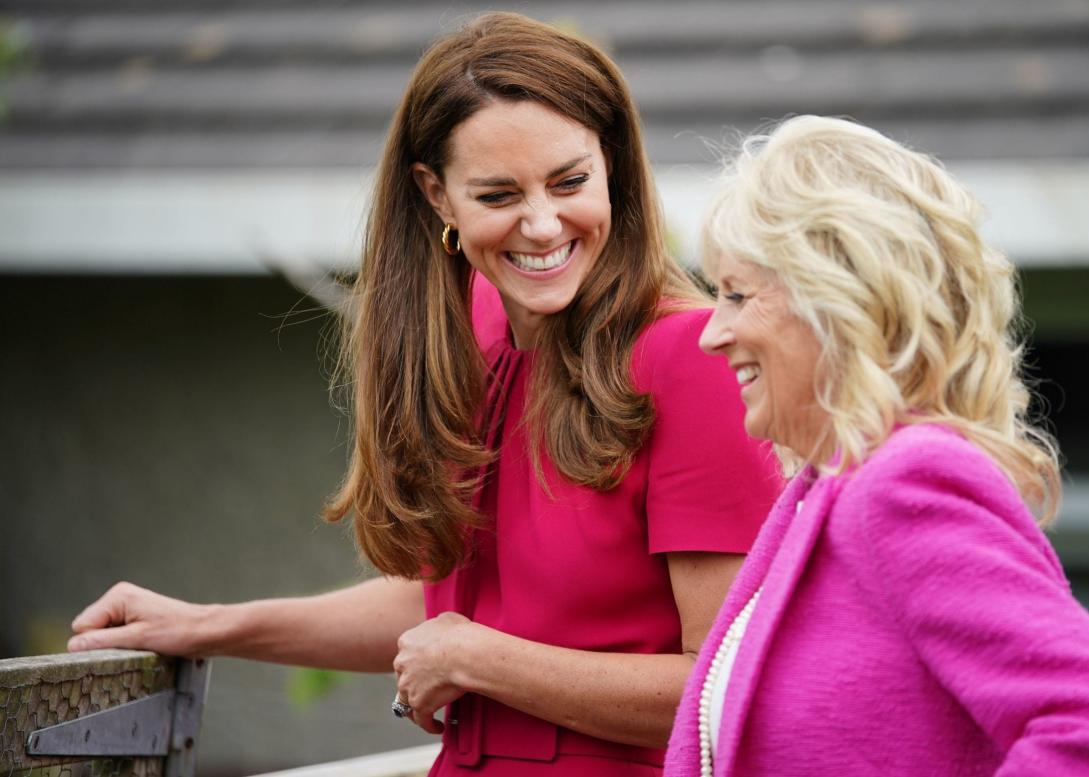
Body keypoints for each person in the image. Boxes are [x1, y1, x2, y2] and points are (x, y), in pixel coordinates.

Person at [67, 13, 782, 775]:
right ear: (436, 195)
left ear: (613, 165)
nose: (543, 224)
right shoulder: (473, 330)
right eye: (499, 193)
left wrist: (481, 659)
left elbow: (726, 683)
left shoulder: (689, 354)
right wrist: (209, 625)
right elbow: (444, 612)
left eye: (570, 181)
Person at [663, 116, 1089, 776]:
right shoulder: (822, 493)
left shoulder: (906, 481)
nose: (713, 333)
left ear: (838, 298)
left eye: (737, 295)